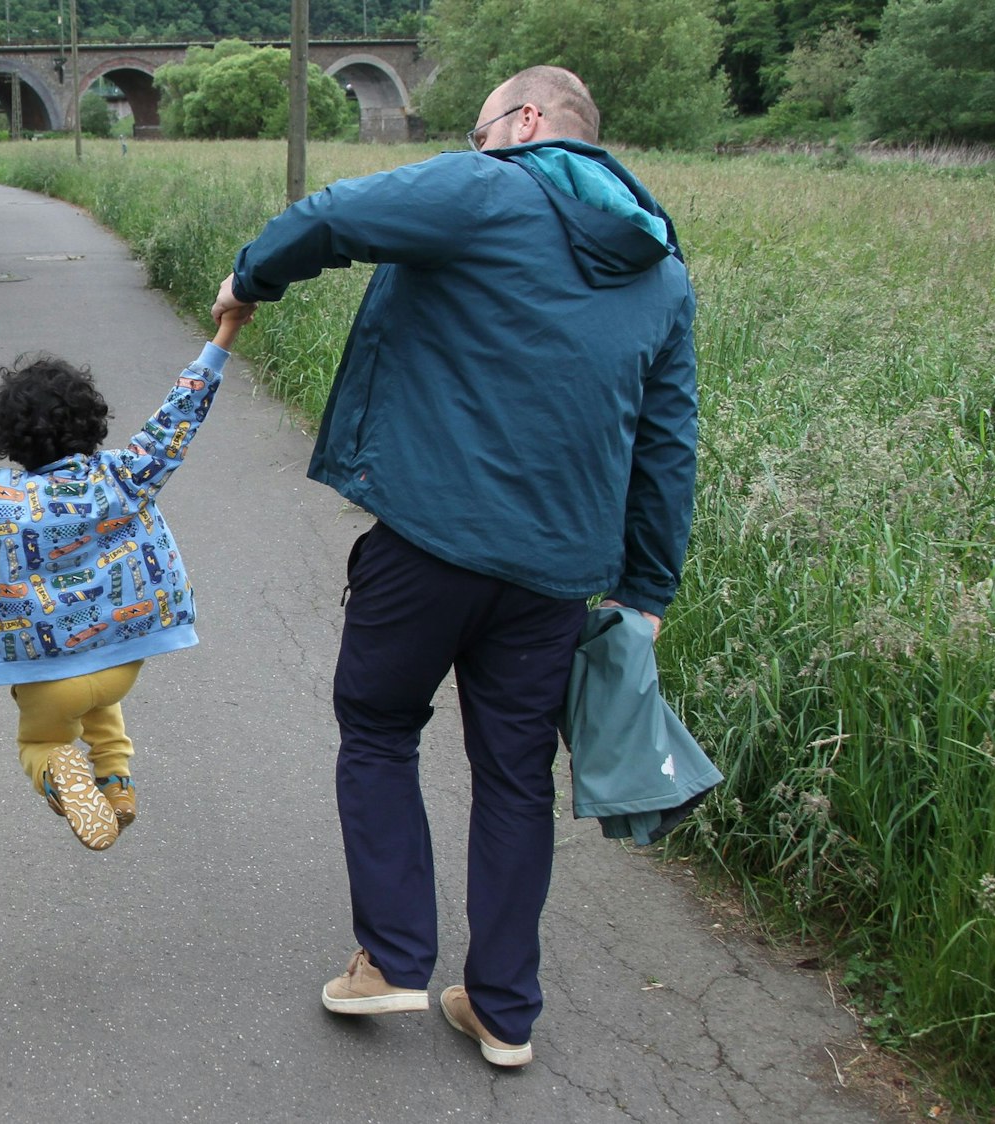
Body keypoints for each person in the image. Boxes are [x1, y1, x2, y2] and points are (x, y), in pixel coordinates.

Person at [211, 66, 698, 1067]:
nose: (474, 148)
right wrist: (646, 588)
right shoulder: (662, 266)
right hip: (560, 574)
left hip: (431, 541)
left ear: (524, 123)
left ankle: (392, 959)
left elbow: (336, 213)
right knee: (516, 774)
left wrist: (249, 276)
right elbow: (667, 439)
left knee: (380, 727)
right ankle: (504, 1009)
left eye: (480, 132)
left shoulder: (495, 185)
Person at [0, 313, 247, 850]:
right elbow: (179, 417)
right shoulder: (125, 473)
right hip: (122, 659)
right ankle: (115, 780)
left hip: (46, 677)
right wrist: (223, 337)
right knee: (100, 695)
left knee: (43, 738)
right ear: (93, 421)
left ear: (7, 439)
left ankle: (59, 769)